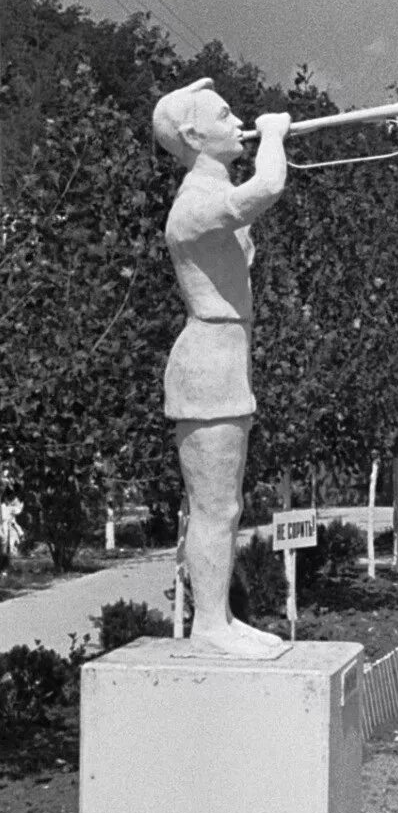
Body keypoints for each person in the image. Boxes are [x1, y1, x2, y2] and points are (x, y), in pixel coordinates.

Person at [153, 77, 291, 659]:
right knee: (214, 505)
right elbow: (265, 188)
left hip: (226, 358)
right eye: (226, 114)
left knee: (225, 505)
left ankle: (218, 617)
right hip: (207, 361)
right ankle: (210, 623)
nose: (241, 123)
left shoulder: (212, 195)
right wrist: (276, 137)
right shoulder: (196, 203)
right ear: (192, 134)